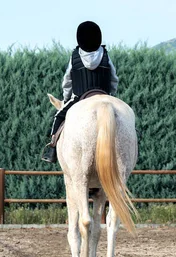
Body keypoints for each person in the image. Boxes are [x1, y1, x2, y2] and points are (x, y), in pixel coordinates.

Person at [42, 21, 119, 163]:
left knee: (58, 117)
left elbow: (67, 81)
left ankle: (52, 147)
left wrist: (66, 99)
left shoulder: (75, 56)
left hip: (79, 97)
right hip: (105, 96)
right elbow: (114, 79)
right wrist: (111, 96)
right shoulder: (105, 55)